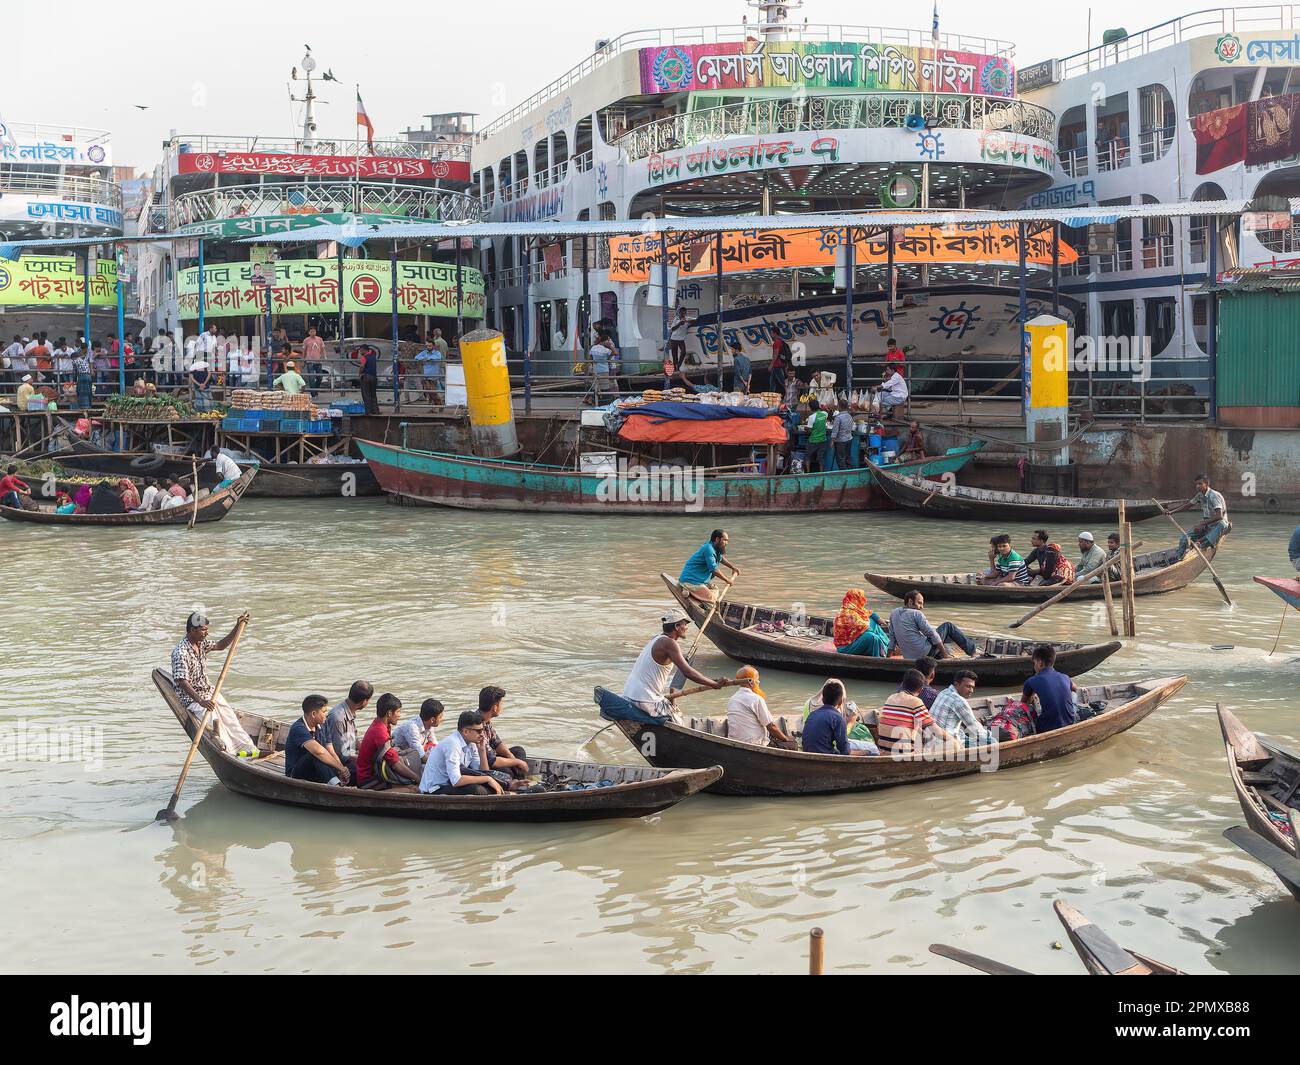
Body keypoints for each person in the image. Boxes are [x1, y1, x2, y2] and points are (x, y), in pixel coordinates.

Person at [169, 611, 258, 757]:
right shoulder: (181, 652)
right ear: (192, 630)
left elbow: (221, 645)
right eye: (203, 630)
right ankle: (231, 754)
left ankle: (249, 749)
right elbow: (182, 682)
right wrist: (201, 701)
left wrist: (237, 626)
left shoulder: (201, 643)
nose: (206, 633)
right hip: (193, 699)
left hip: (209, 692)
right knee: (215, 722)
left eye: (207, 630)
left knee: (230, 719)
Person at [622, 607, 726, 720]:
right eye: (685, 624)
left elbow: (677, 674)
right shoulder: (669, 643)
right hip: (645, 700)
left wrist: (673, 696)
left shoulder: (657, 639)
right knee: (678, 719)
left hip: (630, 696)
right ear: (677, 626)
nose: (686, 628)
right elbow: (687, 672)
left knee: (674, 709)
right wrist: (713, 685)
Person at [419, 710, 506, 796]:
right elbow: (456, 780)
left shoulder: (472, 743)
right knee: (478, 789)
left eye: (483, 730)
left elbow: (483, 772)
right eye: (479, 731)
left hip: (449, 783)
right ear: (466, 731)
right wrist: (487, 779)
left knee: (491, 779)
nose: (482, 734)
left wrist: (482, 751)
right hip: (434, 789)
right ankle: (505, 794)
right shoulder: (452, 744)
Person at [878, 669, 957, 755]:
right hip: (903, 755)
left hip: (883, 751)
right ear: (921, 689)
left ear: (902, 684)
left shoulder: (891, 698)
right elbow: (935, 730)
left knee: (919, 729)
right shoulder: (916, 701)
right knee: (952, 744)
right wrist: (953, 741)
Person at [889, 589, 980, 659]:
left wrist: (888, 657)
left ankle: (941, 656)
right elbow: (931, 633)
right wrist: (945, 655)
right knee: (948, 626)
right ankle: (972, 652)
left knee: (945, 638)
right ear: (910, 602)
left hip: (909, 657)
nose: (922, 607)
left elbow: (892, 638)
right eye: (919, 603)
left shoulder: (894, 613)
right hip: (924, 653)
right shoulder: (916, 613)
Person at [357, 693, 421, 787]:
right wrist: (418, 779)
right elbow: (395, 764)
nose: (400, 715)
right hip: (369, 779)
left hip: (377, 771)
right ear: (389, 713)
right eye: (398, 712)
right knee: (413, 789)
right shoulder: (380, 732)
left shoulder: (381, 725)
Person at [284, 695, 351, 785]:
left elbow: (330, 751)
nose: (327, 714)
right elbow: (319, 752)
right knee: (315, 754)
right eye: (324, 711)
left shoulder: (323, 723)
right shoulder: (298, 728)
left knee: (346, 767)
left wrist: (341, 770)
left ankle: (338, 781)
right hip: (296, 773)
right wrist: (341, 768)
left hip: (316, 769)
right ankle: (337, 786)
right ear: (313, 714)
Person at [725, 665, 794, 748]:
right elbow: (771, 726)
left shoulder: (732, 699)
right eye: (757, 679)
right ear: (751, 682)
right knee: (792, 743)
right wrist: (786, 739)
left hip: (734, 743)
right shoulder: (756, 699)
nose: (758, 682)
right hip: (754, 744)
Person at [803, 679, 873, 756]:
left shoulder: (812, 714)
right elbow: (845, 751)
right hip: (826, 758)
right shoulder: (838, 718)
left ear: (822, 699)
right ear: (840, 702)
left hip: (807, 753)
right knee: (872, 751)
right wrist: (865, 752)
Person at [1021, 644, 1078, 734]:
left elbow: (1023, 704)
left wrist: (1033, 694)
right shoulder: (1065, 677)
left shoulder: (1031, 681)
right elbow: (1075, 688)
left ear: (1040, 663)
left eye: (1034, 663)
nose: (1034, 666)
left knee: (1029, 708)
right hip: (1070, 723)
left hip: (1046, 728)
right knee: (1074, 695)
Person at [929, 670, 992, 748]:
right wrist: (992, 741)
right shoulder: (959, 700)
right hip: (945, 743)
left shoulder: (943, 692)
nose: (971, 691)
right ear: (956, 684)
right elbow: (974, 725)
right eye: (968, 686)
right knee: (989, 740)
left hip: (931, 739)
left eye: (972, 687)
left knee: (964, 735)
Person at [478, 685, 529, 779]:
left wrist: (511, 757)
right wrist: (517, 762)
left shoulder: (486, 719)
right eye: (501, 703)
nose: (502, 707)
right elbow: (492, 761)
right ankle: (518, 781)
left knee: (518, 751)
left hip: (491, 757)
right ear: (494, 707)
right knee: (508, 772)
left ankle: (520, 779)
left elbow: (497, 743)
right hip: (481, 764)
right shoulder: (476, 725)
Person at [327, 680, 373, 779]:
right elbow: (339, 754)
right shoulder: (337, 718)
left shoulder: (349, 712)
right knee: (373, 771)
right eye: (369, 700)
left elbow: (353, 740)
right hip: (338, 765)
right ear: (364, 701)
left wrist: (367, 750)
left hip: (348, 756)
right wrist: (364, 759)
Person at [678, 528, 740, 602]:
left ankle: (693, 594)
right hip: (690, 581)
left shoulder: (715, 547)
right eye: (724, 540)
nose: (726, 543)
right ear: (717, 539)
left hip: (699, 581)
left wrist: (732, 567)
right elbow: (714, 570)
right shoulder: (708, 549)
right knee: (712, 599)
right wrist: (727, 580)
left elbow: (720, 558)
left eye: (727, 540)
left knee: (715, 589)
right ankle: (687, 588)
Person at [1173, 474, 1229, 556]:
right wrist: (1171, 512)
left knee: (1222, 524)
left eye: (1200, 484)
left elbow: (1219, 516)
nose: (1197, 486)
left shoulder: (1214, 495)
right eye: (1196, 484)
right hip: (1207, 523)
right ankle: (1178, 558)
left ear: (1206, 484)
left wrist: (1202, 523)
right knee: (1184, 539)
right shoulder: (1200, 495)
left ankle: (1200, 543)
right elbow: (1188, 506)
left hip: (1218, 524)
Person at [833, 588, 888, 657]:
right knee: (871, 637)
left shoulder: (855, 609)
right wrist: (879, 636)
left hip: (855, 640)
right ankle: (882, 651)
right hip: (846, 647)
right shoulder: (847, 613)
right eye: (860, 598)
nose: (863, 600)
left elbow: (869, 613)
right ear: (855, 599)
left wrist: (878, 619)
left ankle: (886, 645)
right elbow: (865, 628)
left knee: (872, 621)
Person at [392, 698, 444, 763]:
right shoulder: (412, 727)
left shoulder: (429, 725)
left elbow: (435, 746)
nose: (442, 719)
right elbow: (422, 757)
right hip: (398, 759)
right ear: (432, 720)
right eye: (440, 717)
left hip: (412, 755)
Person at [589, 331, 619, 400]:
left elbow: (590, 359)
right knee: (605, 387)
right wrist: (610, 346)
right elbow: (615, 353)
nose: (609, 342)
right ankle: (605, 400)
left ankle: (596, 400)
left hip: (595, 370)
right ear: (605, 341)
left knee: (596, 386)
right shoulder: (606, 350)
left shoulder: (593, 348)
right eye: (608, 340)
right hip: (604, 371)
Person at [416, 336, 445, 405]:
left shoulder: (437, 353)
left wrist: (428, 358)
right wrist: (423, 358)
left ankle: (438, 402)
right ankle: (435, 405)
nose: (428, 347)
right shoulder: (424, 352)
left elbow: (438, 358)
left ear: (433, 346)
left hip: (433, 376)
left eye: (430, 346)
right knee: (428, 391)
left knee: (431, 390)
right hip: (426, 375)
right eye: (427, 346)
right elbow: (417, 357)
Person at [828, 398, 855, 470]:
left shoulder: (838, 417)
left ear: (839, 407)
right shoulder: (849, 416)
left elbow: (835, 431)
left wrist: (832, 441)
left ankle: (844, 475)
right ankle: (851, 472)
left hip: (841, 441)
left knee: (841, 459)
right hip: (849, 439)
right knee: (847, 457)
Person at [804, 397, 828, 473]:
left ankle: (808, 472)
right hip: (823, 440)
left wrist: (805, 428)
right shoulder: (824, 414)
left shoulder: (811, 417)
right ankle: (821, 473)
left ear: (811, 408)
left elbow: (809, 430)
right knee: (821, 458)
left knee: (808, 456)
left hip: (813, 440)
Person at [357, 343, 380, 415]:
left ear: (364, 350)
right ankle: (376, 410)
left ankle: (368, 411)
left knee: (366, 395)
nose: (360, 352)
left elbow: (362, 366)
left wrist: (360, 373)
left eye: (361, 351)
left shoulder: (364, 357)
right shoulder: (373, 356)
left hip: (366, 377)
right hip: (374, 377)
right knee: (373, 394)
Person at [302, 326, 325, 392]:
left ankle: (316, 390)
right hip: (309, 361)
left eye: (314, 331)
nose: (313, 333)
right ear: (309, 332)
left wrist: (325, 356)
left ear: (316, 332)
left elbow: (323, 349)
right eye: (311, 331)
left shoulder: (320, 339)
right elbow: (304, 351)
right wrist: (303, 360)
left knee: (320, 377)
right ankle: (313, 393)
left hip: (318, 361)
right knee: (311, 378)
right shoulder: (306, 340)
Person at [72, 343, 93, 408]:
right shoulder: (85, 359)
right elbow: (90, 363)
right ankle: (89, 406)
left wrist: (74, 380)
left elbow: (74, 372)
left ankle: (83, 407)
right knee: (88, 391)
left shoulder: (75, 361)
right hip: (88, 376)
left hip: (82, 377)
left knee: (81, 392)